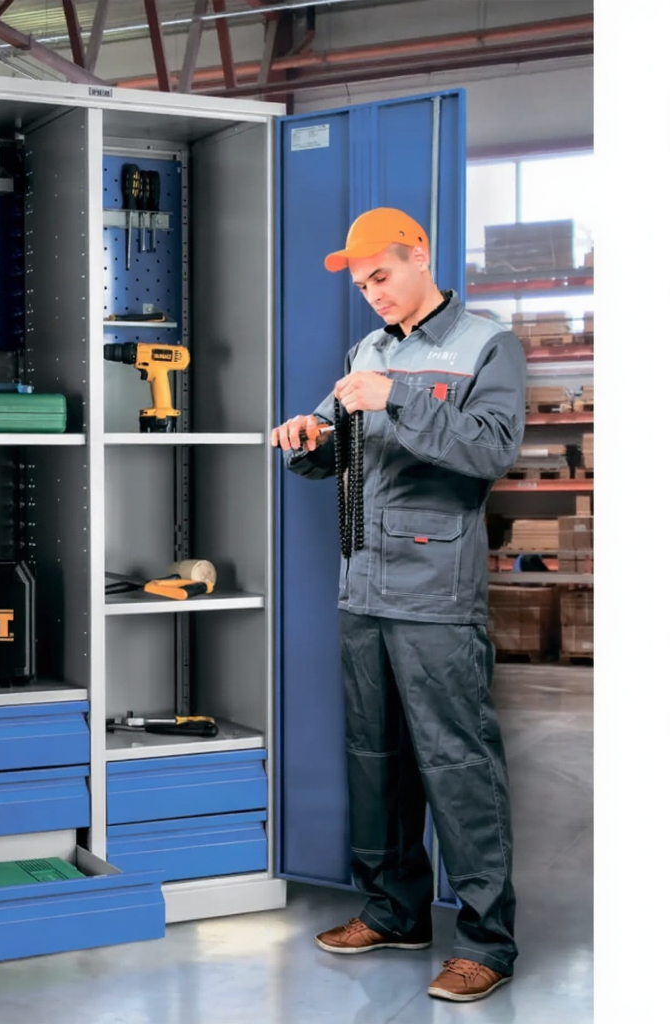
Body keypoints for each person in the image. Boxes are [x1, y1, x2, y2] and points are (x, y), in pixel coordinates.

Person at [271, 207, 526, 1004]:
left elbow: (491, 448)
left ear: (419, 256)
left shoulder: (487, 344)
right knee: (374, 759)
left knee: (457, 764)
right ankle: (394, 912)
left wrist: (399, 400)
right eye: (361, 285)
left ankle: (486, 943)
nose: (372, 294)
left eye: (381, 276)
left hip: (436, 591)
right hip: (364, 585)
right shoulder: (368, 352)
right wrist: (309, 437)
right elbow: (344, 448)